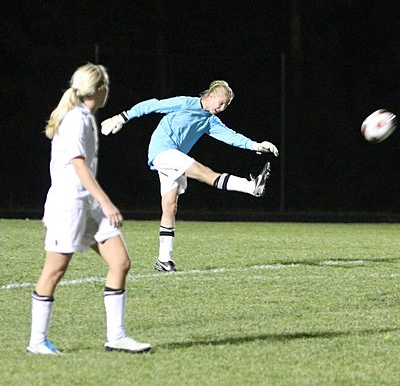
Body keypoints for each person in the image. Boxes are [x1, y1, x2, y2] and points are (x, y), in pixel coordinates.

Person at [27, 63, 151, 354]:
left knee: (120, 262)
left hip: (88, 203)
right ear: (99, 90)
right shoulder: (75, 120)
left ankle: (116, 337)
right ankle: (36, 341)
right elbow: (78, 164)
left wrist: (98, 203)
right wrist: (107, 203)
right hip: (69, 204)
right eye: (107, 85)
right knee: (55, 269)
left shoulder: (86, 117)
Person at [100, 80, 279, 273]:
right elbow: (153, 104)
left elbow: (232, 136)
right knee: (205, 173)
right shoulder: (186, 103)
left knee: (170, 207)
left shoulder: (210, 121)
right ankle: (250, 187)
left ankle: (163, 260)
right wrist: (121, 117)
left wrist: (256, 145)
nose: (222, 108)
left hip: (173, 157)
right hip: (162, 152)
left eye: (226, 105)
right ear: (210, 96)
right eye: (220, 103)